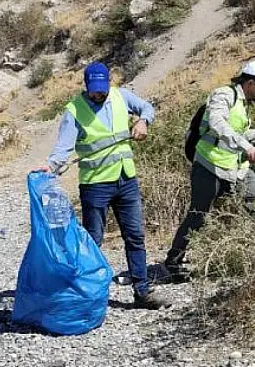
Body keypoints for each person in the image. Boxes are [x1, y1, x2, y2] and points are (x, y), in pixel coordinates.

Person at [34, 61, 170, 310]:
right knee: (93, 240)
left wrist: (143, 122)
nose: (99, 93)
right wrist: (50, 166)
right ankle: (84, 293)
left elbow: (147, 107)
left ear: (109, 82)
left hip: (125, 179)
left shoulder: (120, 96)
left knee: (135, 236)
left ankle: (142, 291)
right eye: (94, 89)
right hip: (96, 185)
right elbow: (63, 147)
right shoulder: (74, 110)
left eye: (102, 88)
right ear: (86, 86)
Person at [164, 61, 255, 279]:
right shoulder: (224, 95)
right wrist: (247, 147)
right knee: (199, 215)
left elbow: (238, 133)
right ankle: (173, 262)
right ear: (251, 82)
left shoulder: (243, 105)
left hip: (236, 169)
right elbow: (217, 123)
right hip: (209, 166)